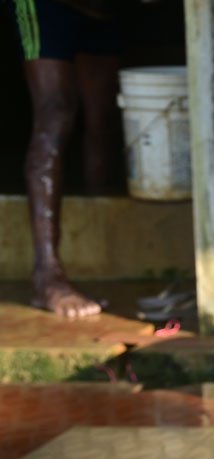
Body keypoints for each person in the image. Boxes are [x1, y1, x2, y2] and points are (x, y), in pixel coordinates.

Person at [9, 0, 125, 317]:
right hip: (47, 6)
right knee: (55, 113)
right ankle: (47, 274)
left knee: (104, 119)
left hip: (98, 9)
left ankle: (102, 261)